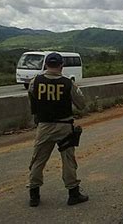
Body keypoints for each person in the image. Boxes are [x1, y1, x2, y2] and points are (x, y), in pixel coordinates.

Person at [27, 52, 89, 207]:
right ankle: (73, 193)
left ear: (46, 65)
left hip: (44, 126)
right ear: (61, 65)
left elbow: (32, 101)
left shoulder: (35, 81)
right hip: (64, 127)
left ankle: (34, 195)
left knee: (38, 160)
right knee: (68, 160)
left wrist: (37, 115)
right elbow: (82, 104)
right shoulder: (68, 83)